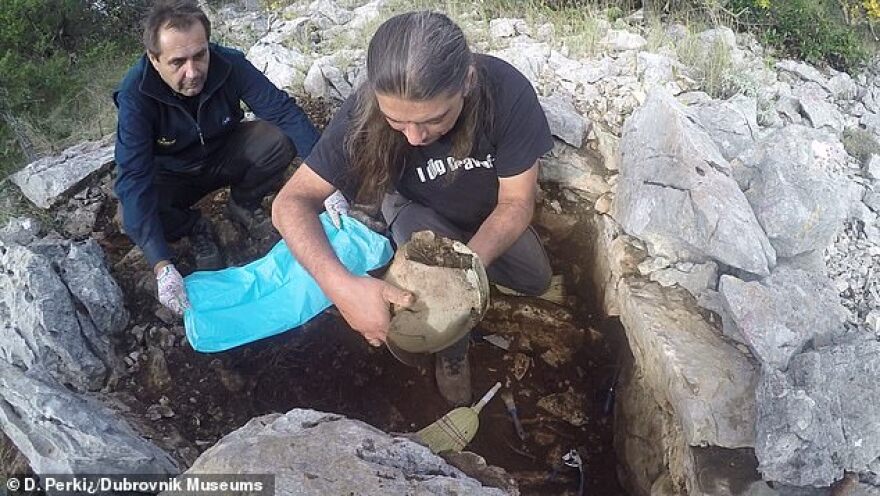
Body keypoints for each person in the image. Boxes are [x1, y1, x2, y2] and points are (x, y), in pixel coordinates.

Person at [272, 11, 553, 405]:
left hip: (489, 211)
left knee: (536, 281)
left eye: (435, 119)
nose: (416, 138)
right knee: (434, 298)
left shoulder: (505, 92)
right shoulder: (363, 113)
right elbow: (290, 203)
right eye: (397, 122)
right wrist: (342, 288)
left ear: (466, 82)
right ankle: (452, 350)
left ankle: (467, 284)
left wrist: (468, 267)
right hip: (417, 209)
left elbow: (516, 201)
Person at [113, 0, 319, 316]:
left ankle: (243, 204)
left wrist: (326, 177)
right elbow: (133, 175)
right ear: (154, 60)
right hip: (174, 173)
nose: (192, 71)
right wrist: (161, 266)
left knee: (278, 138)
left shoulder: (229, 64)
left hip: (224, 151)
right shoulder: (136, 95)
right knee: (131, 212)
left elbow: (282, 110)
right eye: (177, 62)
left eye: (200, 55)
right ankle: (195, 227)